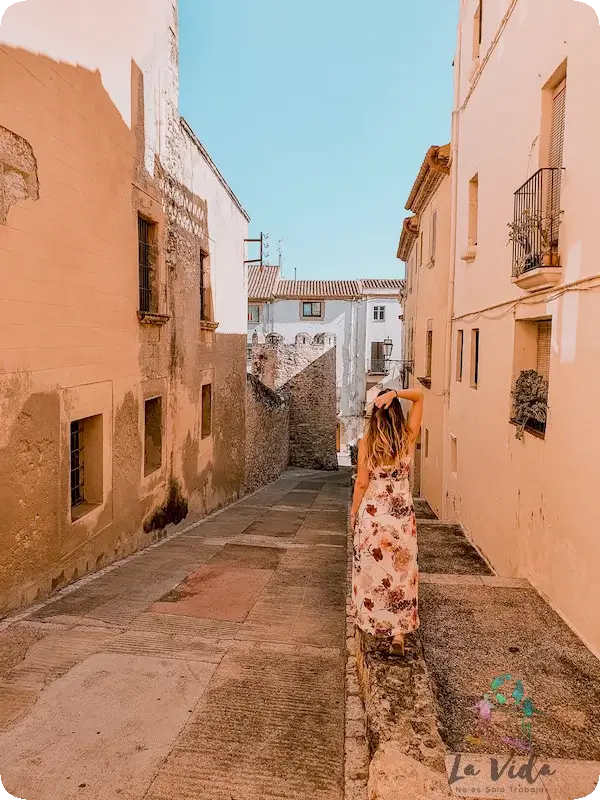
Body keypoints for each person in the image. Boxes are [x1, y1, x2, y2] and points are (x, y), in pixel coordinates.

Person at [350, 386, 423, 655]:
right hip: (402, 519)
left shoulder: (367, 444)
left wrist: (353, 513)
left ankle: (374, 623)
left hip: (373, 517)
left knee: (373, 574)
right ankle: (398, 635)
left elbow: (361, 483)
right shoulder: (408, 437)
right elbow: (420, 397)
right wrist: (397, 393)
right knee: (401, 576)